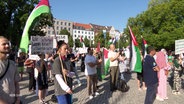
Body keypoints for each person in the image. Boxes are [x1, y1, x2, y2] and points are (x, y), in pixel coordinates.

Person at [0, 36, 20, 104]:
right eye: (4, 44)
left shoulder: (12, 64)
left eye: (8, 43)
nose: (7, 45)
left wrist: (18, 99)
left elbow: (16, 83)